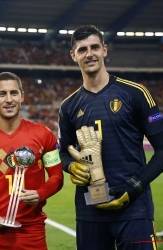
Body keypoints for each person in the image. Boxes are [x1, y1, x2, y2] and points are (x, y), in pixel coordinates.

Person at [58, 24, 163, 250]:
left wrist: (134, 187)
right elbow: (63, 151)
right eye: (83, 49)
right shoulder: (68, 106)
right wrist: (70, 167)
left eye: (95, 47)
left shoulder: (135, 93)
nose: (90, 54)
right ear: (73, 55)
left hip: (135, 209)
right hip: (89, 211)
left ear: (104, 49)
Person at [0, 71, 63, 250]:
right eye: (2, 94)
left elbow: (57, 176)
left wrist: (41, 193)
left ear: (22, 96)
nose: (9, 99)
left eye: (14, 93)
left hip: (32, 232)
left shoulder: (44, 135)